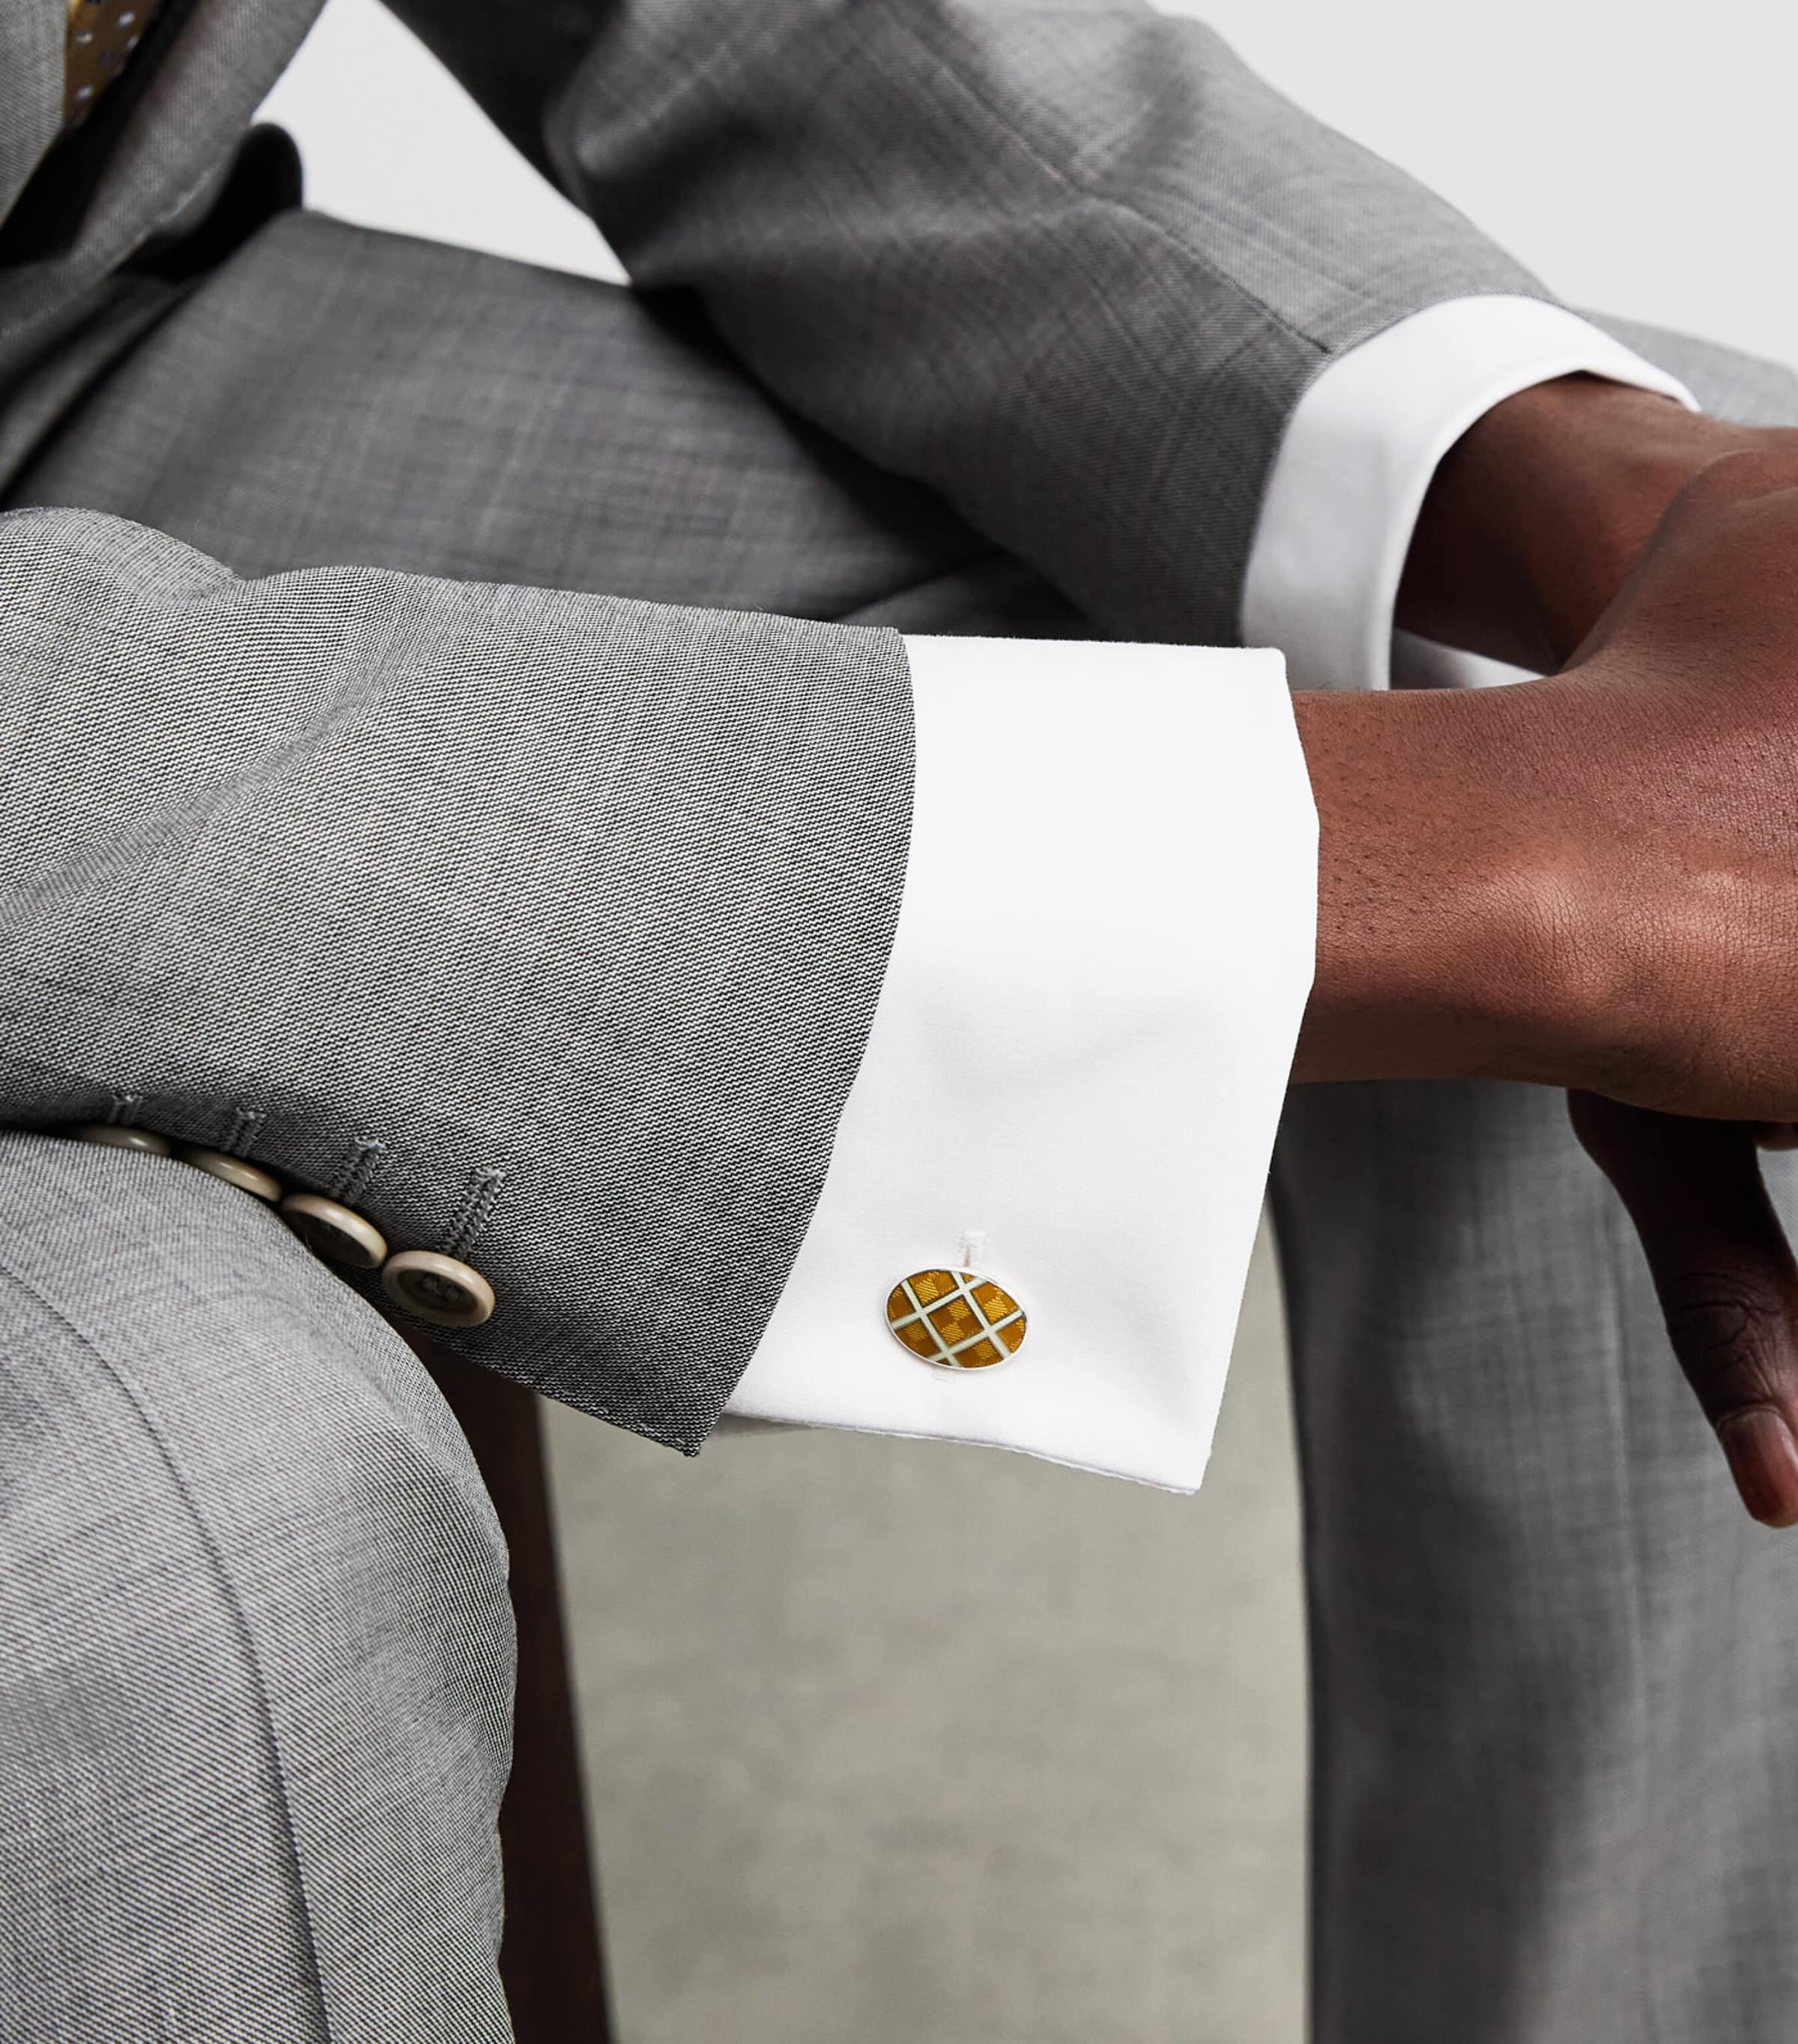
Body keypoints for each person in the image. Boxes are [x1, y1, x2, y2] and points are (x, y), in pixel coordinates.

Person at [5, 1, 1798, 2038]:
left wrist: (1563, 456)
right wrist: (1415, 868)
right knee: (145, 1524)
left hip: (61, 344)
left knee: (1671, 761)